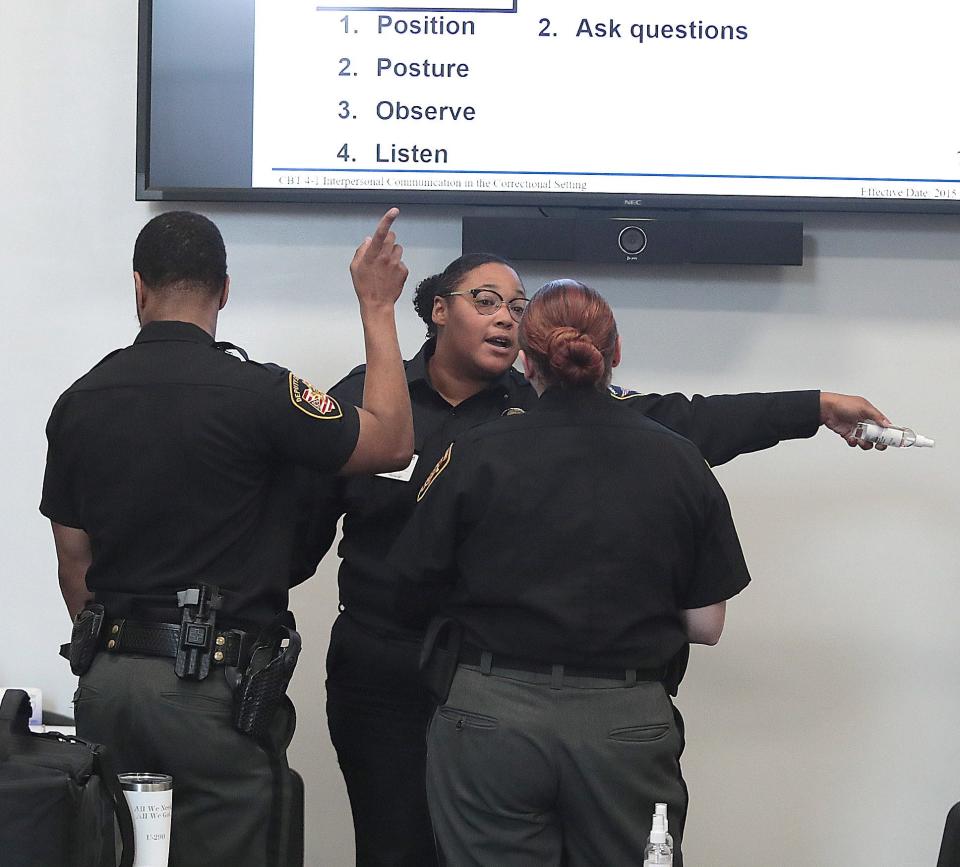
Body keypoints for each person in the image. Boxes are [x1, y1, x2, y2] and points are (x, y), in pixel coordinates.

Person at [293, 252, 890, 866]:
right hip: (385, 664)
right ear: (440, 311)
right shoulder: (370, 395)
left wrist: (814, 406)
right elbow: (302, 516)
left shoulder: (543, 404)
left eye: (518, 308)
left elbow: (690, 421)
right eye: (487, 301)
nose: (505, 318)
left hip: (491, 668)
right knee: (393, 844)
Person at [39, 208, 413, 867]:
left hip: (108, 681)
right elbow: (390, 441)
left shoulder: (80, 400)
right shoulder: (259, 394)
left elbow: (75, 560)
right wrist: (378, 305)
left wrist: (117, 658)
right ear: (226, 289)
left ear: (138, 287)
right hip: (210, 688)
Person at [388, 279, 751, 866]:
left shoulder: (476, 451)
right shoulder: (679, 458)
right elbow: (707, 624)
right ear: (616, 352)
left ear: (527, 361)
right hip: (626, 721)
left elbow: (409, 588)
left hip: (489, 715)